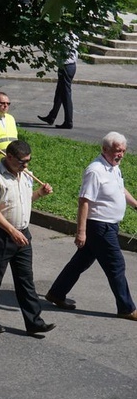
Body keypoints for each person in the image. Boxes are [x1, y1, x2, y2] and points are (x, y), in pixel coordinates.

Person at [46, 132, 137, 321]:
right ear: (104, 149)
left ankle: (56, 293)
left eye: (123, 151)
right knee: (116, 265)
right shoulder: (95, 170)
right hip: (99, 227)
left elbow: (120, 189)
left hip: (109, 226)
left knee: (81, 262)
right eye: (117, 151)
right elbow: (84, 201)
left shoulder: (113, 167)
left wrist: (135, 204)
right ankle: (126, 308)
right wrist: (81, 232)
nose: (120, 155)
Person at [0, 140, 56, 335]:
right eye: (22, 162)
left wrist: (40, 193)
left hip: (23, 234)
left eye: (28, 161)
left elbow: (24, 199)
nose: (26, 166)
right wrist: (11, 231)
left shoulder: (25, 174)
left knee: (26, 280)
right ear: (9, 157)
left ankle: (34, 322)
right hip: (0, 235)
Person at [38, 32, 79, 130]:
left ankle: (68, 122)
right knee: (59, 94)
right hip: (70, 66)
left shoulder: (64, 37)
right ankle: (51, 117)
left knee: (65, 95)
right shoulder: (74, 37)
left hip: (66, 66)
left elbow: (55, 47)